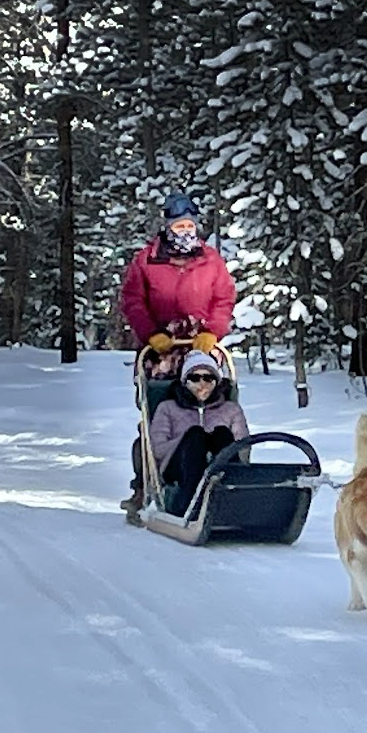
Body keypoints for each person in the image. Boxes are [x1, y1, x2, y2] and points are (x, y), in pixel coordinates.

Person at [119, 192, 236, 515]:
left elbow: (224, 298)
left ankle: (220, 481)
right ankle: (145, 487)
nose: (185, 231)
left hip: (201, 350)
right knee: (155, 418)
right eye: (179, 225)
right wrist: (150, 334)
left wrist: (214, 330)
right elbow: (132, 300)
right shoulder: (146, 259)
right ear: (168, 227)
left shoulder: (211, 260)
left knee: (216, 414)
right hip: (160, 352)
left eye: (190, 225)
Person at [126, 350, 250, 522]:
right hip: (177, 469)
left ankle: (232, 499)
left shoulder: (230, 409)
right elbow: (158, 449)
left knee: (222, 433)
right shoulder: (168, 408)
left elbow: (242, 447)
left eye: (208, 378)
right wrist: (188, 440)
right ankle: (189, 502)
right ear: (185, 381)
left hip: (219, 465)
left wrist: (211, 442)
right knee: (195, 435)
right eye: (195, 378)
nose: (202, 384)